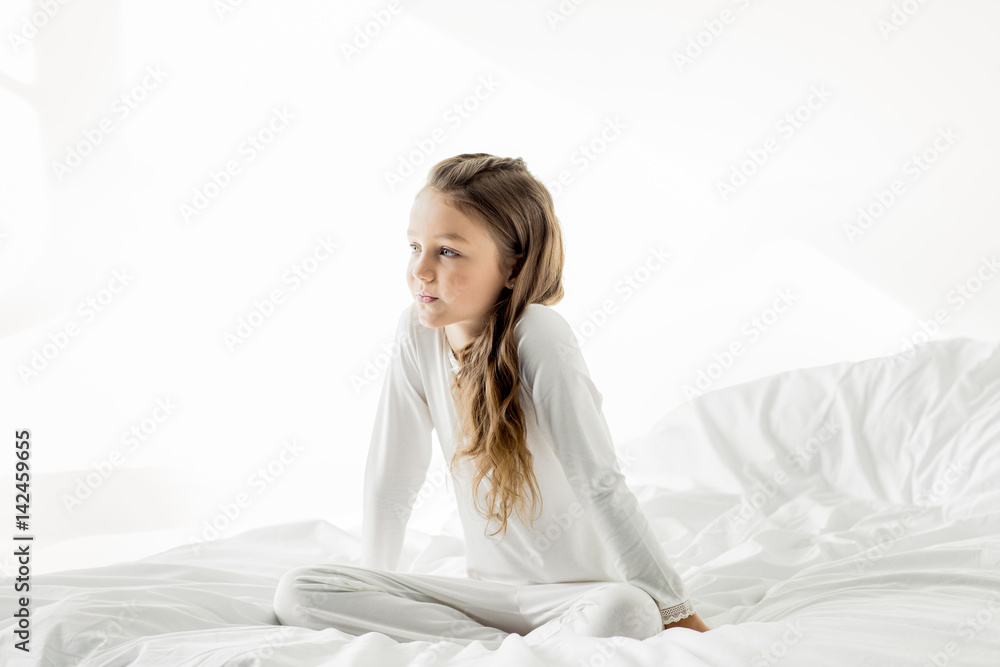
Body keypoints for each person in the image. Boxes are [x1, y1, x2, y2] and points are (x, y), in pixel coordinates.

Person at [272, 153, 710, 648]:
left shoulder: (539, 333)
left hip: (578, 598)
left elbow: (599, 482)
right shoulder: (415, 333)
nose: (421, 269)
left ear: (513, 263)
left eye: (449, 252)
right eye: (416, 246)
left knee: (627, 612)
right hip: (486, 597)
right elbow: (393, 478)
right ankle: (495, 645)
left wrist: (674, 608)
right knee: (300, 591)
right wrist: (376, 589)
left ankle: (492, 644)